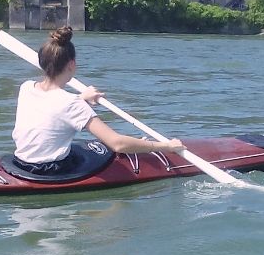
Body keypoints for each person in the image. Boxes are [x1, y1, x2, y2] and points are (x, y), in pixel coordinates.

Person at [12, 26, 184, 174]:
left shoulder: (26, 87)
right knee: (105, 149)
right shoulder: (71, 103)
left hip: (21, 161)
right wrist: (166, 146)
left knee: (87, 147)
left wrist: (82, 98)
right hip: (50, 169)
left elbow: (53, 107)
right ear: (72, 64)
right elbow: (117, 143)